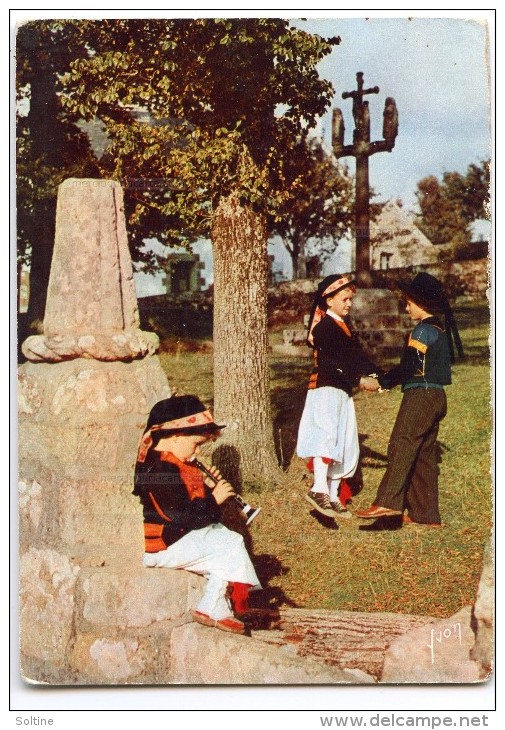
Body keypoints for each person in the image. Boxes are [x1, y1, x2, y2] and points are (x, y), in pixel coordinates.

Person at [133, 395, 261, 634]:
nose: (197, 452)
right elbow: (187, 517)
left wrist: (206, 487)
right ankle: (212, 606)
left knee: (224, 539)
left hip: (176, 538)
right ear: (176, 437)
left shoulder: (171, 464)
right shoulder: (161, 471)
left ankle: (216, 606)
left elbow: (192, 512)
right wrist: (215, 498)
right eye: (196, 444)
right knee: (231, 543)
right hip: (164, 544)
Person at [355, 272, 464, 530]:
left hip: (420, 396)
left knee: (402, 442)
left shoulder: (423, 329)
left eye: (409, 303)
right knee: (423, 453)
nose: (406, 307)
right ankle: (425, 513)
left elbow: (410, 366)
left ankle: (388, 502)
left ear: (421, 303)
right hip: (437, 396)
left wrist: (381, 382)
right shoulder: (439, 328)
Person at [296, 274, 381, 520]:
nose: (349, 304)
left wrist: (384, 378)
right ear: (329, 300)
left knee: (342, 442)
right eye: (345, 299)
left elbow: (358, 359)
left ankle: (333, 496)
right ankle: (319, 489)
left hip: (341, 391)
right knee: (327, 437)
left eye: (350, 299)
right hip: (326, 389)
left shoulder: (343, 327)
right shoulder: (324, 328)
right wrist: (359, 380)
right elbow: (333, 362)